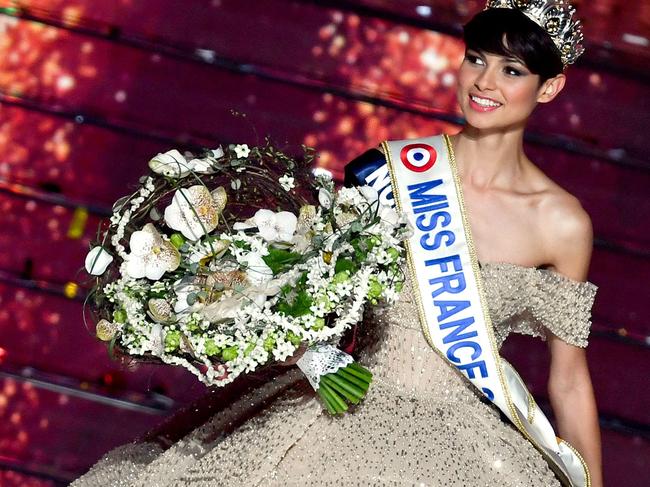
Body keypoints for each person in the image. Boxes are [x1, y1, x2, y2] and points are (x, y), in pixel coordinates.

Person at [72, 2, 602, 486]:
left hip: (463, 446)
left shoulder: (561, 224)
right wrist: (298, 345)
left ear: (549, 87)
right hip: (339, 407)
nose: (485, 82)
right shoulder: (388, 172)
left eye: (512, 70)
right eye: (476, 59)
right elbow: (314, 294)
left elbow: (570, 380)